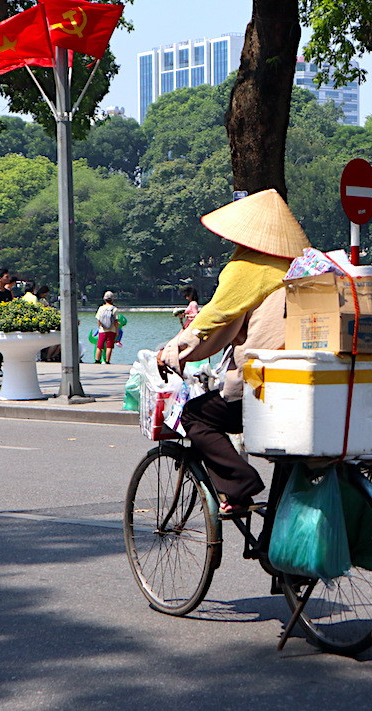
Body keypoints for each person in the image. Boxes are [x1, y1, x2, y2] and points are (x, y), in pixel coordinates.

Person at [157, 189, 311, 515]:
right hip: (315, 384)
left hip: (265, 385)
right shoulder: (306, 267)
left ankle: (240, 489)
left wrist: (174, 351)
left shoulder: (248, 267)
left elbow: (215, 323)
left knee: (195, 415)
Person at [95, 291, 119, 363]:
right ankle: (107, 361)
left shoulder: (101, 308)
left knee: (99, 346)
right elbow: (115, 321)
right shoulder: (114, 309)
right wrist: (117, 331)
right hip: (112, 330)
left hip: (102, 330)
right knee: (109, 346)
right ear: (112, 299)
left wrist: (99, 327)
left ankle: (97, 360)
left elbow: (98, 320)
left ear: (104, 299)